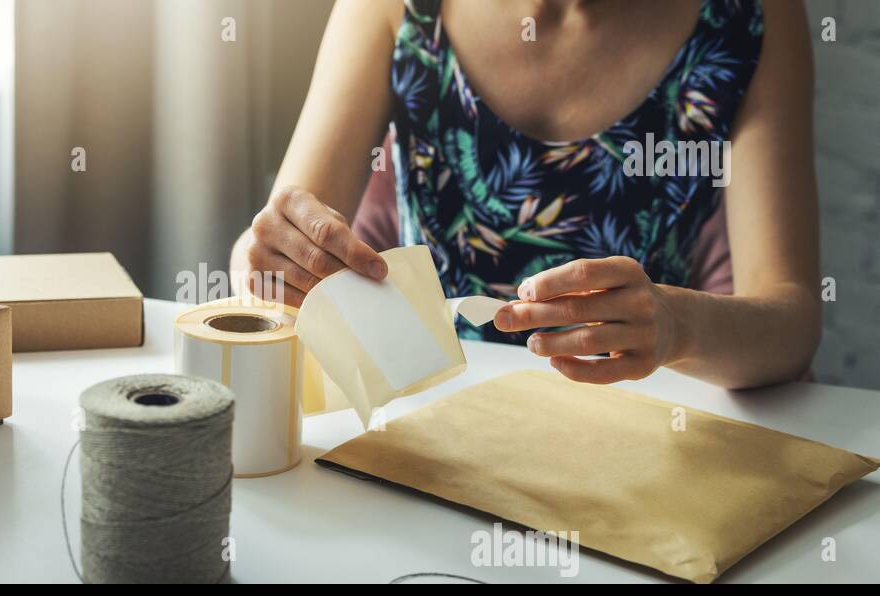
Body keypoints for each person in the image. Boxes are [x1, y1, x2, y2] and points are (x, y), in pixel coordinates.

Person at [230, 0, 819, 388]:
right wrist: (267, 265)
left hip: (649, 422)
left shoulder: (750, 18)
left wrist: (676, 326)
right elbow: (273, 247)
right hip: (424, 413)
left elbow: (793, 318)